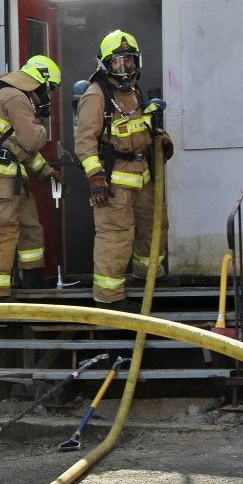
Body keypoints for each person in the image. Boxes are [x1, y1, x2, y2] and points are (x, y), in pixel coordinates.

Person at [75, 30, 174, 311]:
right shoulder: (96, 95)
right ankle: (109, 298)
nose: (124, 67)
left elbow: (140, 128)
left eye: (128, 61)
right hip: (114, 181)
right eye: (117, 62)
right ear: (105, 64)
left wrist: (162, 139)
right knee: (116, 236)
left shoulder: (134, 92)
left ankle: (149, 276)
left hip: (143, 175)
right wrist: (95, 177)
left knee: (154, 227)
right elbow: (84, 141)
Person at [0, 55, 65, 299]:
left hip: (11, 177)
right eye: (49, 89)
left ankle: (33, 279)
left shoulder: (10, 96)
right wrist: (41, 126)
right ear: (41, 82)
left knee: (30, 227)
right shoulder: (16, 98)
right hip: (0, 180)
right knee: (1, 232)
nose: (48, 96)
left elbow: (19, 148)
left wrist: (46, 172)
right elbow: (32, 140)